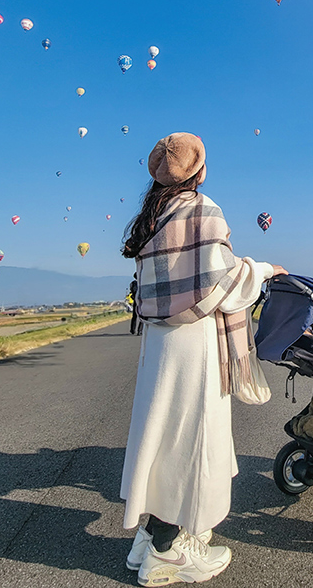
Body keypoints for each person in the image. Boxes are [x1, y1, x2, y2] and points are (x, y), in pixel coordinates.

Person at [119, 131, 286, 586]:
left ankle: (151, 536)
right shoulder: (201, 209)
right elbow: (223, 284)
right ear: (199, 170)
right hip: (194, 343)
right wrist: (265, 270)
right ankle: (170, 551)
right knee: (191, 439)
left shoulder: (150, 218)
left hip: (159, 342)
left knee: (161, 435)